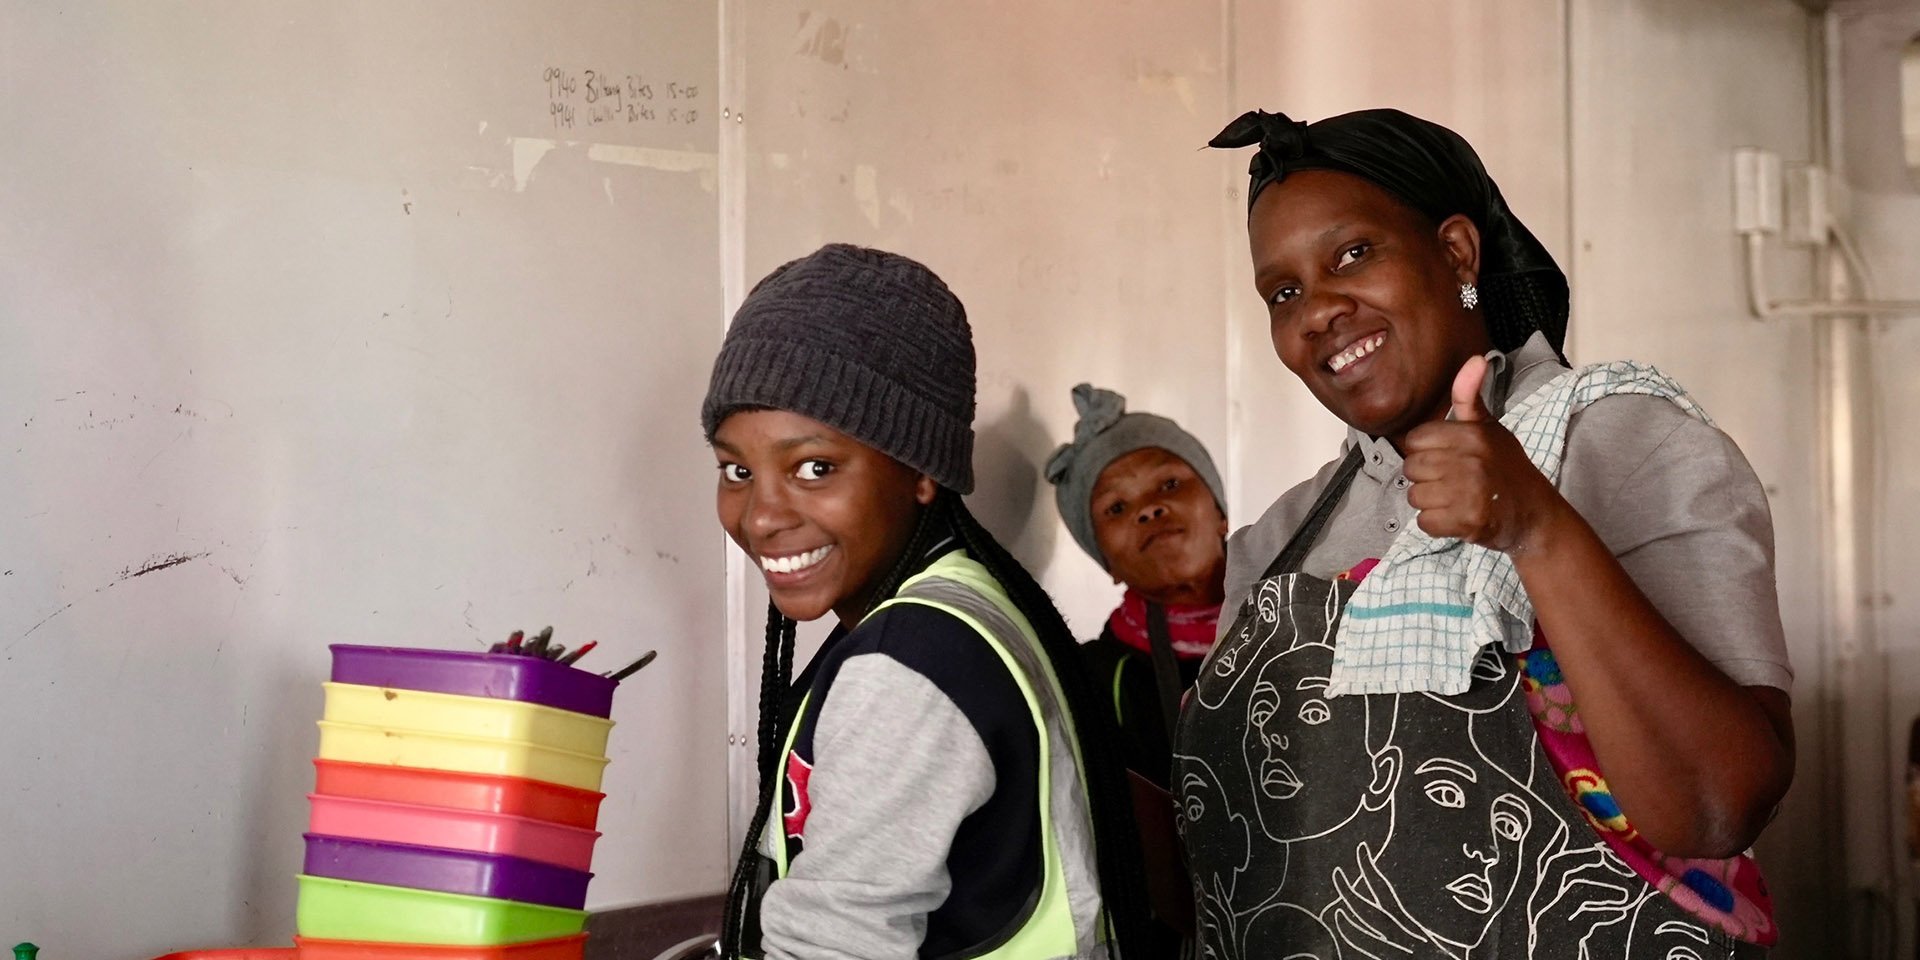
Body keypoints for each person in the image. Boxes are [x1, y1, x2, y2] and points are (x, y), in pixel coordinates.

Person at [1174, 109, 1794, 959]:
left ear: (1457, 254)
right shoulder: (1277, 540)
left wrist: (1536, 528)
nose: (1318, 310)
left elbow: (1720, 806)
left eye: (1352, 255)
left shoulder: (1621, 442)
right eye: (1285, 293)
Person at [704, 244, 1150, 960]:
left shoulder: (910, 661)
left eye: (814, 467)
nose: (760, 516)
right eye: (736, 469)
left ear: (921, 472)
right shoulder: (954, 619)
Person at [1046, 384, 1228, 787]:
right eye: (1116, 508)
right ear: (1105, 561)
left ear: (1220, 512)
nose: (1149, 509)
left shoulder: (1298, 616)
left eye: (1169, 484)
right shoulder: (1094, 681)